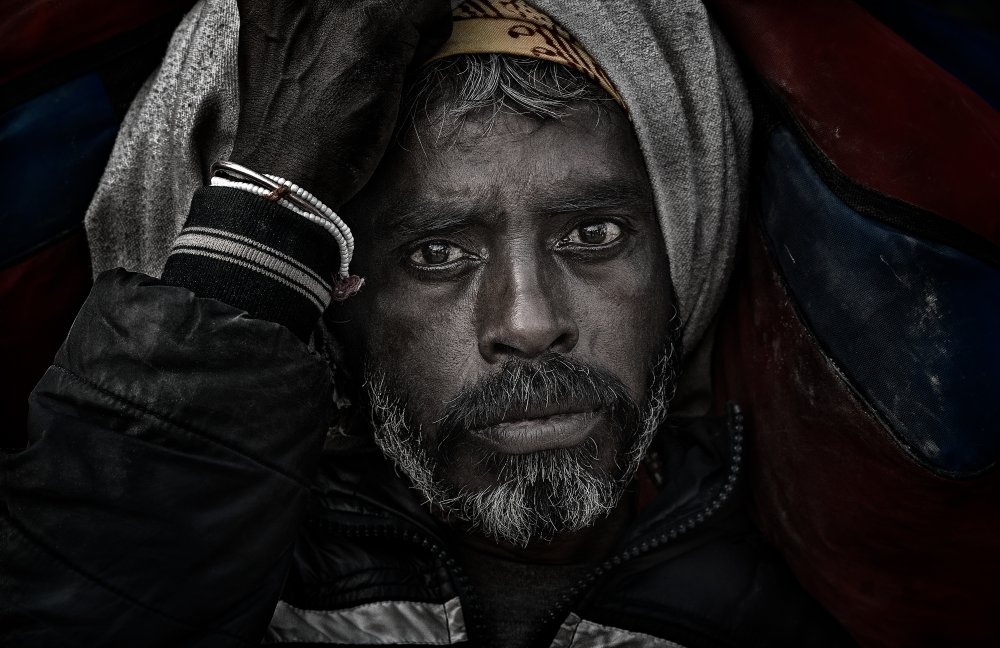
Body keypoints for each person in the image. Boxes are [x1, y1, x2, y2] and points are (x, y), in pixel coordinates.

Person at [1, 0, 853, 646]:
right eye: (437, 254)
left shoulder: (836, 588)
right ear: (325, 303)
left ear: (684, 253)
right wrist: (272, 206)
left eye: (595, 234)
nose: (528, 323)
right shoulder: (240, 584)